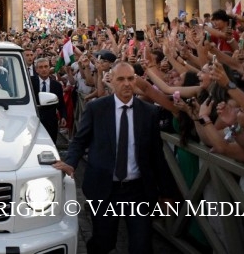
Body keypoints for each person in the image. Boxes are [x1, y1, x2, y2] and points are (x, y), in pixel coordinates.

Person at [54, 61, 176, 254]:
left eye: (130, 79)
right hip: (105, 190)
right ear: (112, 81)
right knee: (103, 242)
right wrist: (70, 163)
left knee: (141, 245)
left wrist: (167, 192)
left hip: (138, 191)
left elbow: (156, 155)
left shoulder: (149, 113)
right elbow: (79, 140)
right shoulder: (97, 109)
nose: (127, 83)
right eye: (121, 79)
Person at [31, 57, 67, 143]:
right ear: (36, 70)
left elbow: (61, 103)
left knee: (50, 143)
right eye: (41, 67)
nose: (44, 69)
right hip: (34, 119)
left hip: (51, 120)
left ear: (49, 68)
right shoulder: (30, 82)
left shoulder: (56, 85)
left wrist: (63, 116)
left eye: (46, 66)